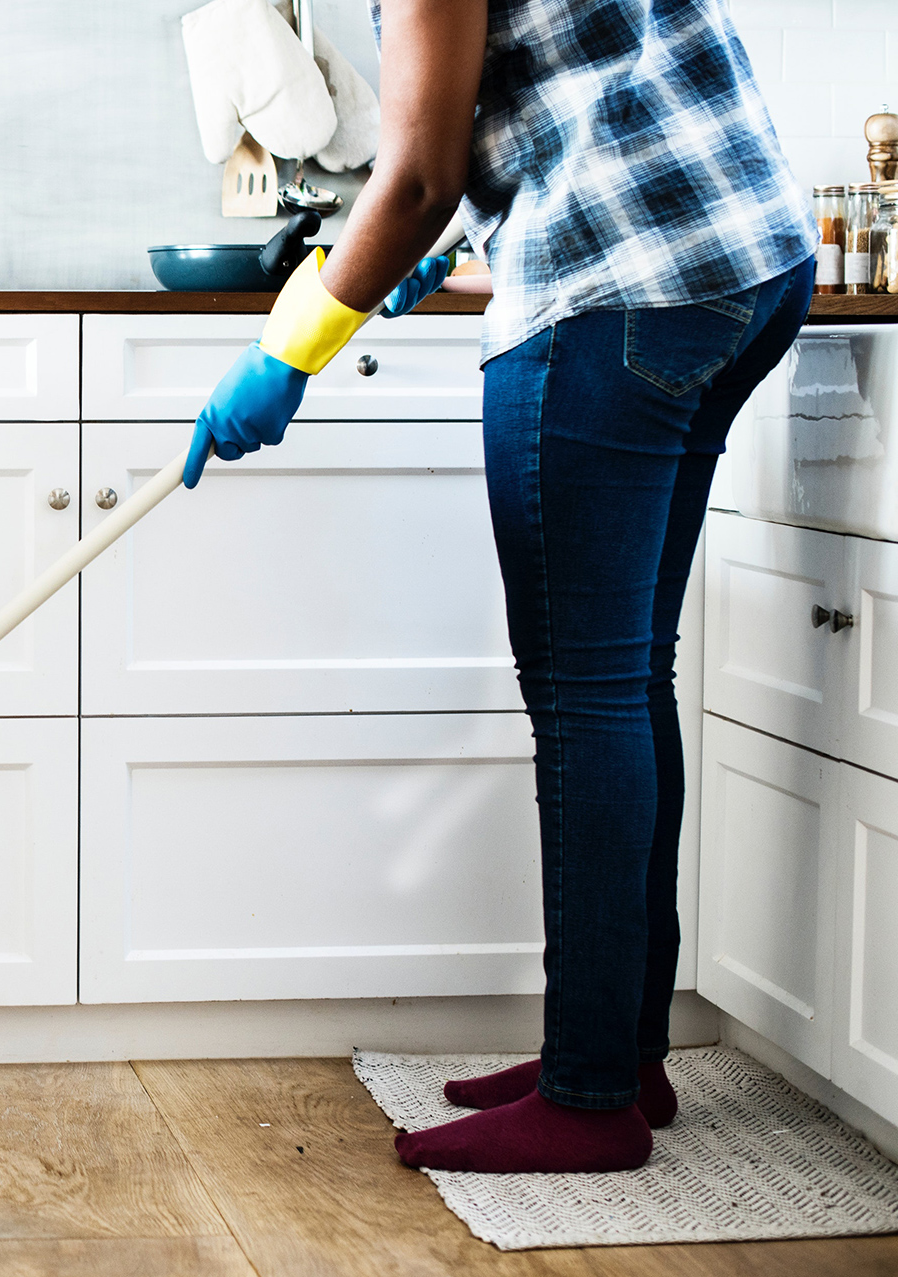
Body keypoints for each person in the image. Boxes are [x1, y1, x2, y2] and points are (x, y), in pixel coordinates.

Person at [189, 0, 816, 1173]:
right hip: (742, 264)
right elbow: (550, 89)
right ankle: (616, 1050)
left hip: (616, 290)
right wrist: (440, 240)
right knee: (625, 676)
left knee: (584, 694)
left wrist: (288, 351)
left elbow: (416, 173)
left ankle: (587, 1099)